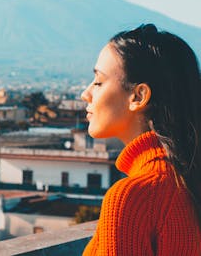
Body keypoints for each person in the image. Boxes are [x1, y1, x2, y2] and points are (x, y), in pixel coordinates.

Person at [81, 24, 200, 255]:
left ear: (138, 96)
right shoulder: (186, 179)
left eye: (98, 82)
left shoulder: (131, 198)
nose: (85, 94)